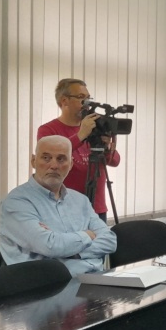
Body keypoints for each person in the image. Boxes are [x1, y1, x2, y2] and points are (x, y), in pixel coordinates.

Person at [0, 136, 117, 277]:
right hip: (48, 285)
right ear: (33, 161)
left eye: (61, 159)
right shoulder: (17, 202)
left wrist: (71, 252)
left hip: (95, 279)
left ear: (71, 164)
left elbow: (110, 241)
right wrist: (87, 235)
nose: (54, 165)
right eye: (46, 158)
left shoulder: (81, 200)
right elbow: (49, 245)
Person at [37, 78, 121, 222]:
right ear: (64, 101)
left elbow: (115, 161)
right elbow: (53, 157)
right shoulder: (48, 130)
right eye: (81, 98)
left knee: (99, 238)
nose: (87, 104)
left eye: (89, 98)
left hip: (97, 208)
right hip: (64, 207)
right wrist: (81, 134)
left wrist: (107, 147)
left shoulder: (96, 127)